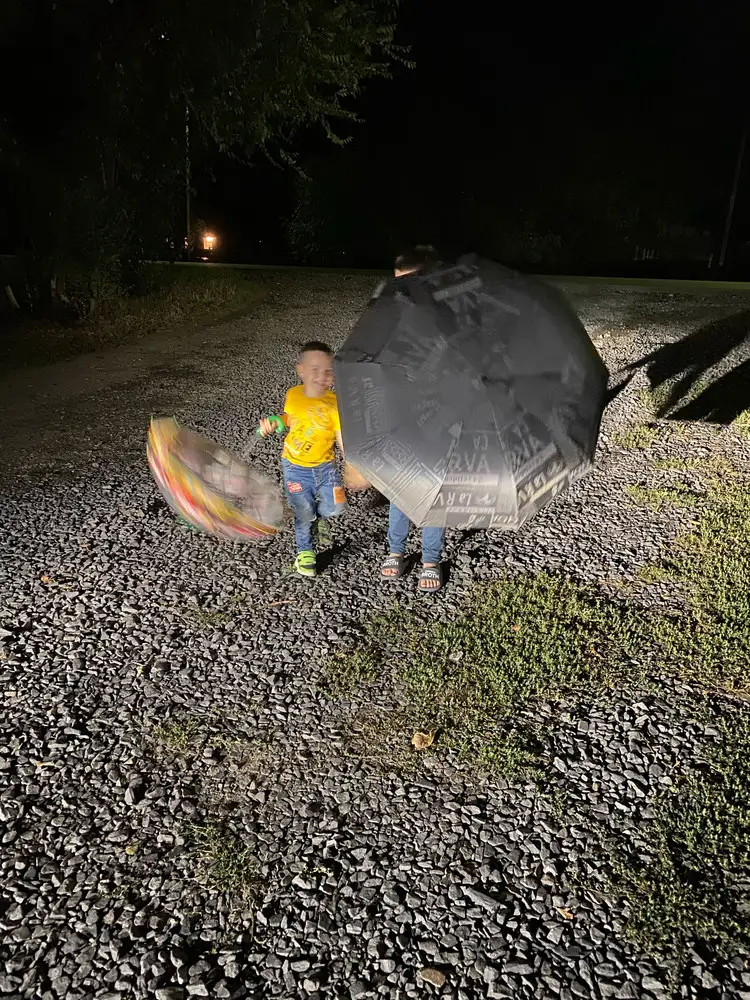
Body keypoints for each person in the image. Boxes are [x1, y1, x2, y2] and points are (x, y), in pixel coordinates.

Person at [259, 341, 365, 577]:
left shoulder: (336, 404)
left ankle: (317, 519)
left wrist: (352, 465)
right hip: (294, 465)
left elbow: (341, 438)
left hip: (326, 467)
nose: (321, 377)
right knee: (303, 509)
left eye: (328, 371)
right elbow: (290, 417)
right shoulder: (293, 395)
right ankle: (305, 553)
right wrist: (276, 421)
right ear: (301, 370)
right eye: (314, 370)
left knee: (337, 506)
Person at [380, 245, 446, 593]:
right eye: (397, 284)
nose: (401, 291)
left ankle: (431, 556)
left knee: (434, 489)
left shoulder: (444, 318)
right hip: (402, 414)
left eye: (408, 284)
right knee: (399, 486)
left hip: (438, 415)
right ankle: (396, 548)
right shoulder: (393, 318)